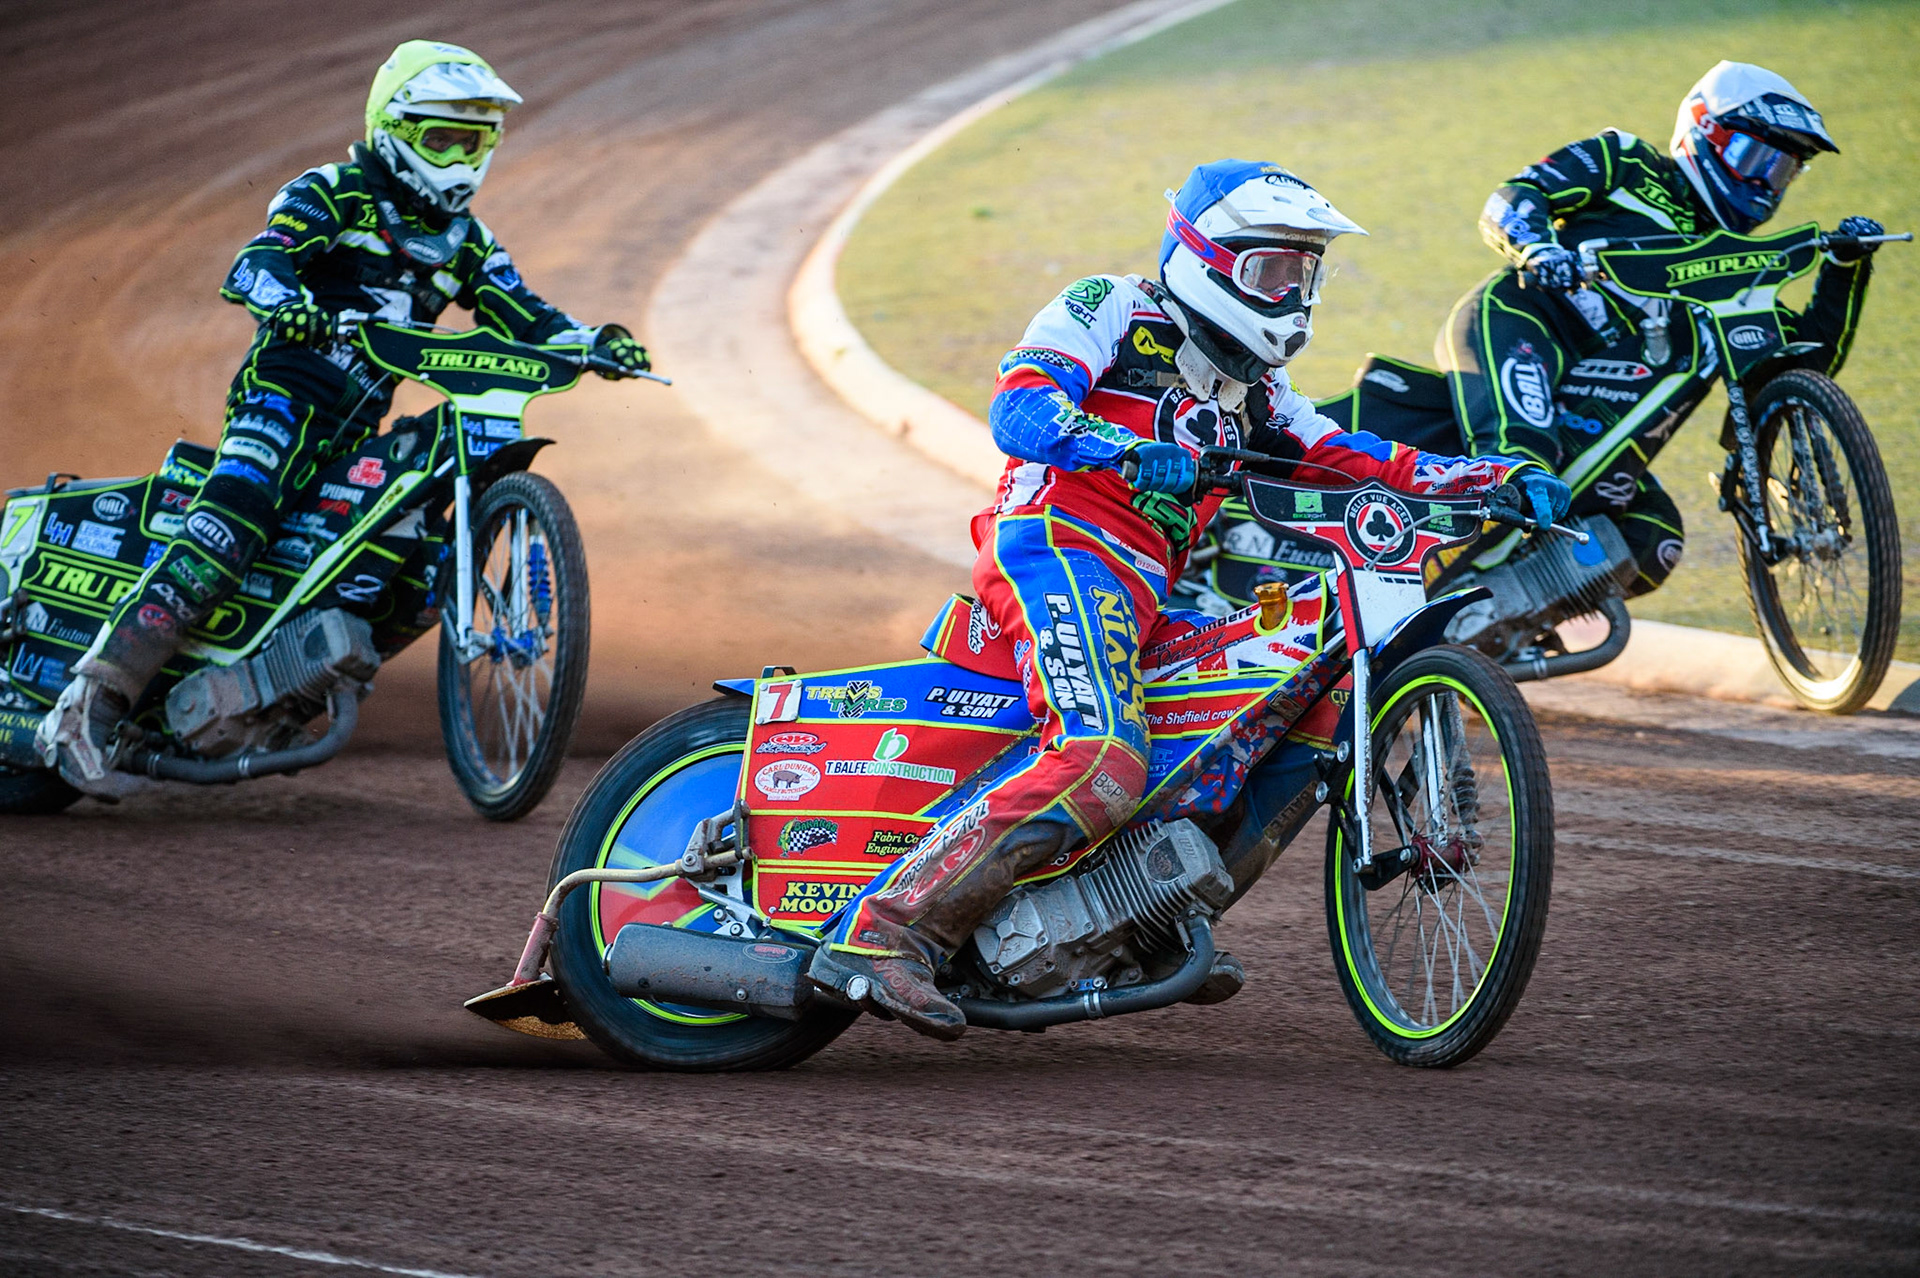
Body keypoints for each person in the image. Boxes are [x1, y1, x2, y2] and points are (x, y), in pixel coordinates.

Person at [806, 159, 1570, 1039]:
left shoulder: (1260, 390)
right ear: (1207, 258)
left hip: (1146, 592)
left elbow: (1357, 457)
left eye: (1303, 272)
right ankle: (881, 934)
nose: (1290, 291)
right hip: (1057, 546)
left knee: (1296, 709)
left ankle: (1141, 916)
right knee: (1102, 756)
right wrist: (1116, 448)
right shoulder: (1111, 306)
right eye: (1271, 271)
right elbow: (1019, 409)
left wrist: (1490, 476)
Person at [40, 40, 651, 795]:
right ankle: (88, 703)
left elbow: (526, 315)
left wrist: (593, 343)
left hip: (353, 432)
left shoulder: (468, 244)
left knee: (404, 560)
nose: (461, 156)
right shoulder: (335, 191)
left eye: (476, 139)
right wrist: (282, 299)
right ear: (394, 129)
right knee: (232, 524)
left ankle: (289, 685)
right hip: (284, 398)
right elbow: (258, 259)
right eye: (443, 137)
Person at [1440, 60, 1882, 595]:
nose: (1767, 184)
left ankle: (1491, 628)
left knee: (1656, 541)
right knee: (1525, 456)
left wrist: (1844, 270)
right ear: (1704, 134)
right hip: (1521, 324)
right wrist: (1536, 248)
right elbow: (1513, 197)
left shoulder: (1739, 269)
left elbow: (1800, 374)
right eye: (1755, 158)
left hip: (1598, 422)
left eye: (1783, 170)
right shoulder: (1626, 160)